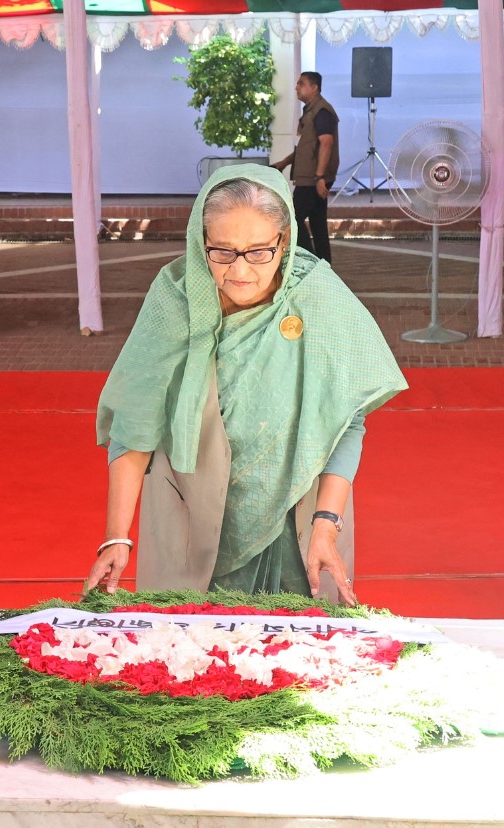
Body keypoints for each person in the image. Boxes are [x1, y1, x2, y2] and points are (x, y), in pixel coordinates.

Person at [85, 164, 406, 605]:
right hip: (190, 512)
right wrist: (115, 536)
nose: (241, 270)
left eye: (259, 252)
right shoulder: (176, 296)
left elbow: (347, 421)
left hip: (299, 522)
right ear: (202, 244)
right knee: (187, 656)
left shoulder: (316, 293)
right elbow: (136, 420)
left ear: (285, 241)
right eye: (223, 251)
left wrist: (327, 522)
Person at [271, 71, 338, 263]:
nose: (296, 88)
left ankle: (310, 261)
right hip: (310, 177)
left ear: (314, 87)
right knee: (317, 223)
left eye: (301, 84)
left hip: (312, 179)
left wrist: (319, 178)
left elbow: (326, 143)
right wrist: (284, 163)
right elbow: (306, 147)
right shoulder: (310, 111)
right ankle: (323, 263)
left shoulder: (322, 112)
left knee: (292, 219)